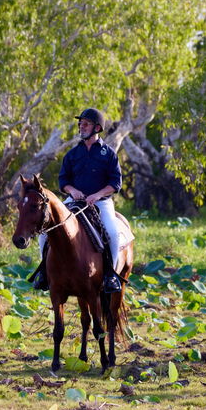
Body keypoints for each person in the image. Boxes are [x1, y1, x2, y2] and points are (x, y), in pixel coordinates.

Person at [33, 108, 124, 294]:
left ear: (97, 128)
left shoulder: (109, 154)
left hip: (101, 202)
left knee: (113, 233)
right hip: (74, 200)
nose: (81, 127)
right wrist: (73, 191)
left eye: (86, 124)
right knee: (45, 232)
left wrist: (97, 195)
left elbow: (116, 183)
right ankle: (43, 272)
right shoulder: (72, 154)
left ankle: (110, 275)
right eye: (80, 124)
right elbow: (63, 180)